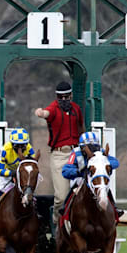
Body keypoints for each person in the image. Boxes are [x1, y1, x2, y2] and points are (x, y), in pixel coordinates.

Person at [33, 81, 82, 215]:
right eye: (61, 97)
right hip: (59, 155)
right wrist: (40, 113)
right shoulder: (54, 108)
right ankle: (56, 223)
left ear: (71, 95)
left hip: (76, 154)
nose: (64, 100)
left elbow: (81, 129)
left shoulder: (76, 109)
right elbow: (47, 113)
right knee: (61, 197)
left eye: (66, 97)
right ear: (57, 97)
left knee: (83, 192)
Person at [0, 128, 39, 225]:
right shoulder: (5, 150)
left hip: (22, 172)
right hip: (8, 172)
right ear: (12, 144)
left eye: (23, 146)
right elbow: (0, 171)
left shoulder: (29, 147)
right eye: (17, 146)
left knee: (29, 188)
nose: (20, 148)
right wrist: (12, 173)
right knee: (3, 188)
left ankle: (36, 211)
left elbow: (33, 162)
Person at [61, 131, 123, 217]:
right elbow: (65, 170)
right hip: (81, 179)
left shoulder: (101, 152)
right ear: (82, 147)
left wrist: (104, 166)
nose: (92, 150)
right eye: (89, 147)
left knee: (104, 187)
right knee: (74, 189)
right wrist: (78, 171)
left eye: (94, 147)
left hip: (96, 178)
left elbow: (115, 162)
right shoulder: (75, 153)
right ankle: (65, 208)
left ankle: (115, 208)